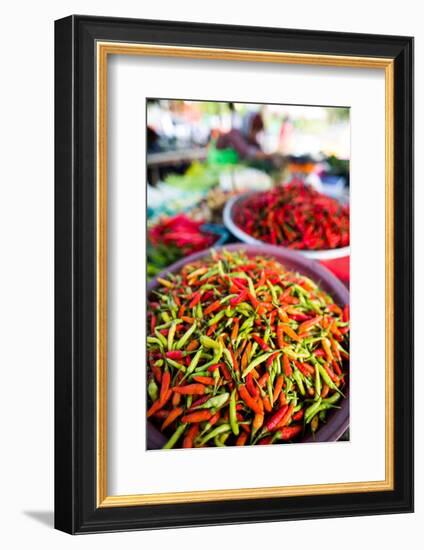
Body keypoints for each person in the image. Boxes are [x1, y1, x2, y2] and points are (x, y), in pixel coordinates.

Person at [212, 111, 277, 164]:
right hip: (218, 163)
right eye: (254, 131)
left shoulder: (247, 136)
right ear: (249, 126)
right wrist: (268, 155)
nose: (255, 134)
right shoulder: (234, 133)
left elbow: (257, 147)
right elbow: (245, 151)